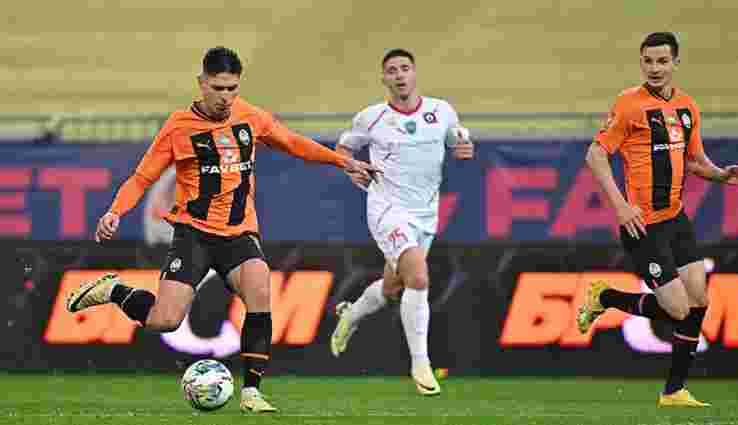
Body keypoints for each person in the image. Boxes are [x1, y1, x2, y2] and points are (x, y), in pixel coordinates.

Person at [65, 46, 377, 413]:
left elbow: (293, 142)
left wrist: (342, 161)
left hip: (239, 234)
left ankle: (252, 392)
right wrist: (115, 211)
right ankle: (114, 291)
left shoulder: (250, 116)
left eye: (232, 88)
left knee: (260, 289)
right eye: (218, 88)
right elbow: (142, 177)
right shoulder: (178, 127)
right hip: (194, 235)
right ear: (202, 83)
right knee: (165, 320)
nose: (226, 97)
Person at [578, 32, 738, 407]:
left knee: (699, 301)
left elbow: (693, 160)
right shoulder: (629, 104)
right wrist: (621, 207)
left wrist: (722, 175)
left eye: (662, 61)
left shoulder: (687, 106)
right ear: (641, 62)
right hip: (643, 225)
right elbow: (595, 154)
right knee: (678, 310)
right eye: (648, 61)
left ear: (675, 63)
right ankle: (604, 297)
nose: (654, 68)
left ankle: (674, 391)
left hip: (676, 219)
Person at [329, 48, 474, 396]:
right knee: (419, 277)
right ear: (384, 79)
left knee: (393, 286)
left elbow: (458, 140)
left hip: (425, 213)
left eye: (404, 68)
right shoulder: (371, 118)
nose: (399, 75)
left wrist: (464, 149)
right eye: (392, 70)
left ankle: (350, 315)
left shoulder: (441, 111)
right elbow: (343, 150)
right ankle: (421, 364)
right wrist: (351, 169)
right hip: (387, 209)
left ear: (414, 73)